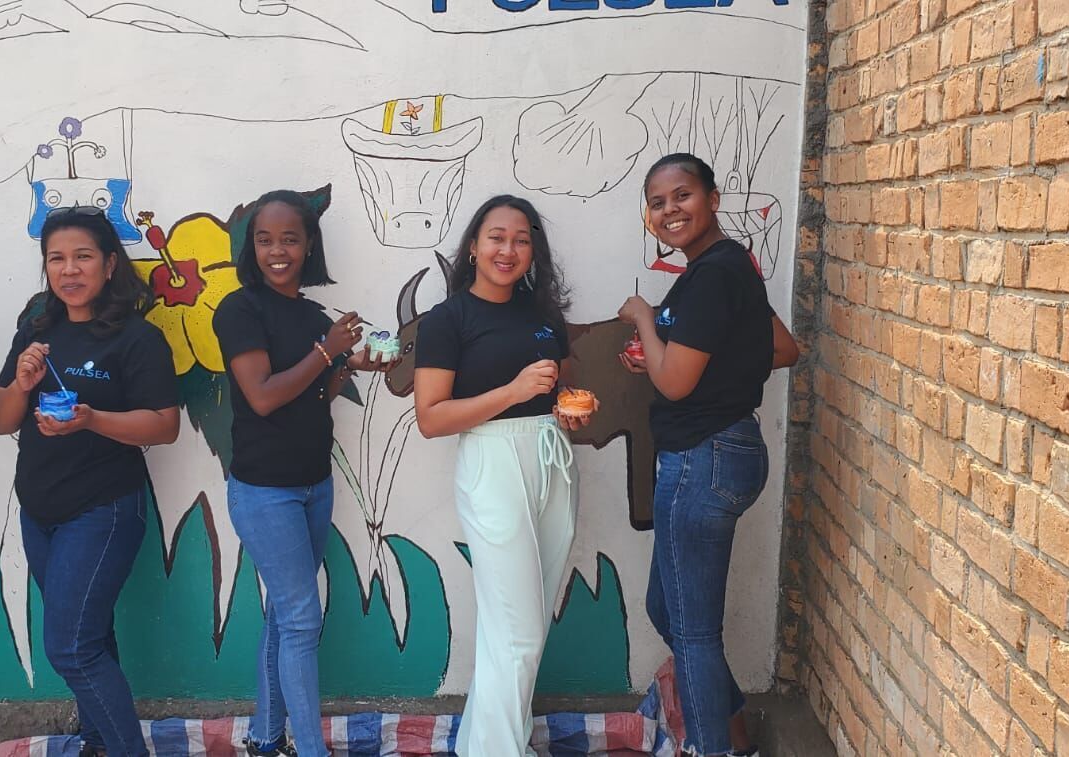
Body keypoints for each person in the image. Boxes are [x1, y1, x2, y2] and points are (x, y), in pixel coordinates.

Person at [618, 153, 799, 757]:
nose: (670, 210)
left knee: (692, 630)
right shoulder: (725, 267)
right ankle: (735, 733)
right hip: (725, 450)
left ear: (713, 199)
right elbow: (780, 347)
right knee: (664, 607)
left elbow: (674, 384)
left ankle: (711, 748)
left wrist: (645, 320)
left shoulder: (713, 274)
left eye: (683, 195)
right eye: (657, 202)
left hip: (703, 457)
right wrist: (674, 356)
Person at [0, 208, 180, 757]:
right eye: (57, 259)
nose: (69, 270)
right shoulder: (36, 333)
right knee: (90, 639)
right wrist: (21, 383)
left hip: (103, 509)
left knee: (70, 647)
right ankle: (98, 741)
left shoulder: (137, 338)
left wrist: (91, 420)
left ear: (110, 264)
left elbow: (164, 426)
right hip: (39, 511)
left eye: (83, 257)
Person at [212, 190, 394, 757]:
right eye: (264, 240)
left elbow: (313, 396)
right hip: (264, 491)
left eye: (289, 239)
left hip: (315, 484)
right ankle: (311, 749)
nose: (277, 251)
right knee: (299, 620)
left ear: (309, 244)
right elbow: (264, 397)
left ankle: (266, 738)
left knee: (285, 617)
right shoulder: (239, 310)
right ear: (250, 248)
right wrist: (326, 349)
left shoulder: (312, 315)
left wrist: (350, 366)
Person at [412, 195, 591, 757]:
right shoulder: (448, 320)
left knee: (517, 627)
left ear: (533, 250)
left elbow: (557, 390)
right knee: (520, 633)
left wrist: (568, 409)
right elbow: (431, 418)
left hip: (552, 458)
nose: (507, 250)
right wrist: (513, 392)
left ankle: (482, 746)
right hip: (492, 464)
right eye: (496, 237)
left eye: (521, 239)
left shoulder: (543, 317)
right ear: (473, 246)